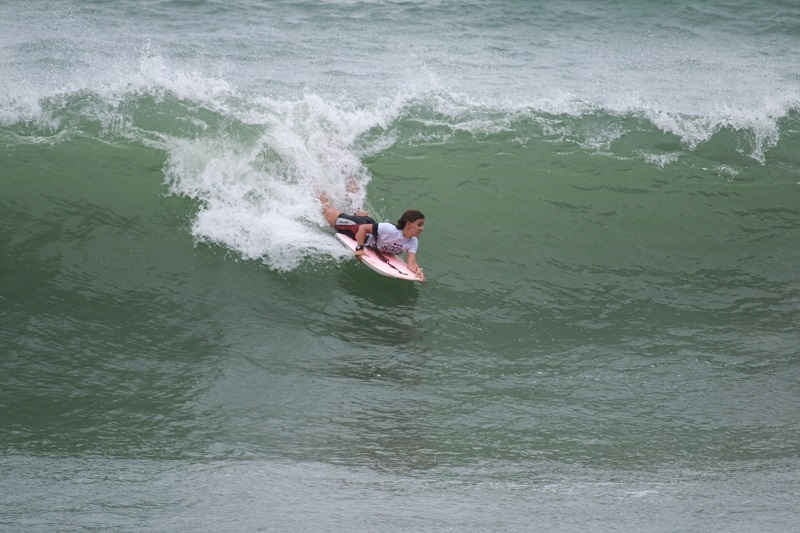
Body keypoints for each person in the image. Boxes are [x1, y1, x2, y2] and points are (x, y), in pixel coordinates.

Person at [320, 193, 426, 282]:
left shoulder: (413, 241)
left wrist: (417, 269)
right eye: (419, 224)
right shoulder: (390, 229)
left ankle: (351, 180)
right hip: (358, 227)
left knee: (359, 208)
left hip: (372, 226)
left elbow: (411, 262)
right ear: (408, 224)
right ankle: (318, 190)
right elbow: (362, 229)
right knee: (327, 209)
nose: (422, 228)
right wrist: (360, 248)